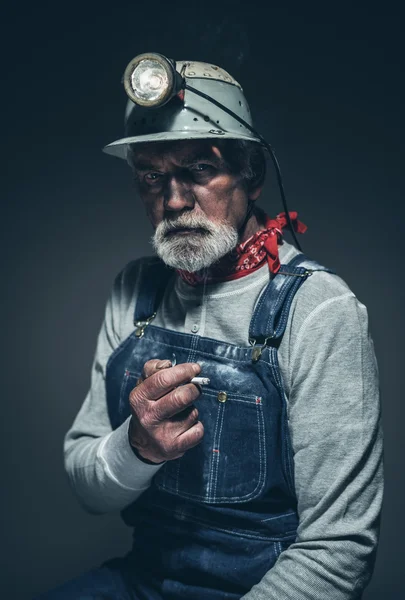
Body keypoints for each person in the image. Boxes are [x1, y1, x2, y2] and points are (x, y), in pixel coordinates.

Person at [37, 56, 383, 599]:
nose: (174, 200)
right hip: (143, 580)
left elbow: (338, 552)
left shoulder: (318, 308)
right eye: (152, 176)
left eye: (200, 169)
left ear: (252, 172)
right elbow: (88, 486)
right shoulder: (135, 290)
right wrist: (136, 446)